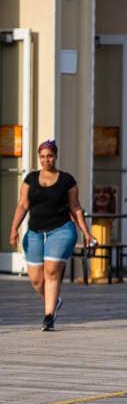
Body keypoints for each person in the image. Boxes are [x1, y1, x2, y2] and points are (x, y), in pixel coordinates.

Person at [8, 140, 96, 331]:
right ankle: (54, 301)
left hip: (61, 230)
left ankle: (48, 317)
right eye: (42, 156)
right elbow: (23, 205)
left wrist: (86, 233)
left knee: (51, 272)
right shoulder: (30, 179)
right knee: (36, 279)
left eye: (49, 156)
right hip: (34, 233)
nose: (46, 160)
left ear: (55, 156)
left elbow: (75, 207)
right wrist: (14, 229)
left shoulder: (67, 180)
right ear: (39, 158)